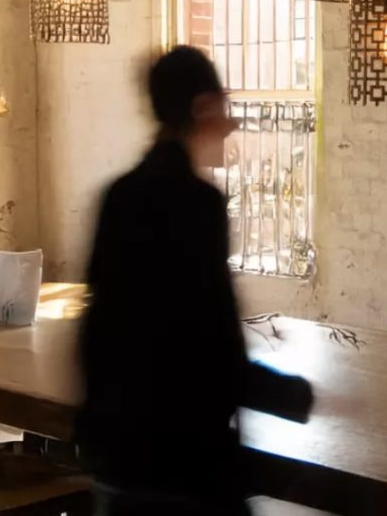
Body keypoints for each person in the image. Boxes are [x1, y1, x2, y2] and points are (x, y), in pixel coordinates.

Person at [77, 47, 314, 516]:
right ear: (202, 108)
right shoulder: (197, 204)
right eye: (224, 107)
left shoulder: (118, 196)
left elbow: (100, 332)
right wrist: (293, 395)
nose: (231, 123)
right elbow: (210, 348)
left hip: (120, 457)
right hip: (182, 465)